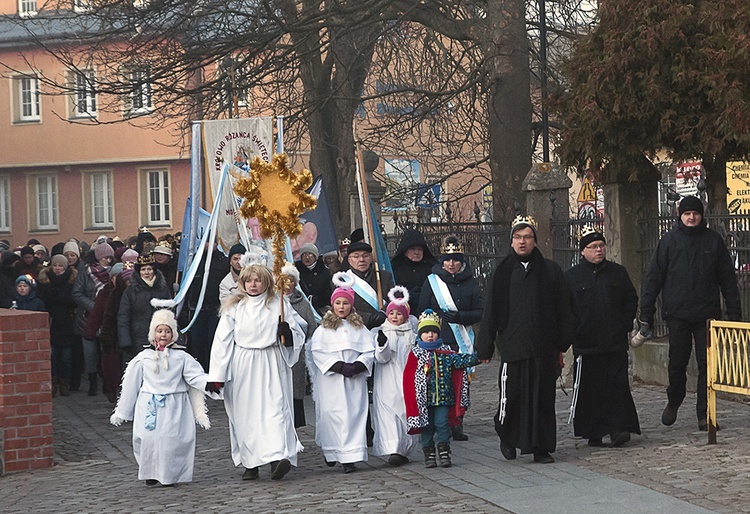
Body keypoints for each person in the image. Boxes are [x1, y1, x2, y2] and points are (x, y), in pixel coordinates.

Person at [476, 215, 573, 464]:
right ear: (511, 242)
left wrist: (562, 343)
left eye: (527, 237)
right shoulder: (502, 272)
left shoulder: (550, 271)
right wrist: (484, 345)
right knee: (513, 396)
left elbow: (563, 309)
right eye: (518, 237)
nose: (522, 242)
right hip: (513, 345)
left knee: (542, 397)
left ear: (535, 241)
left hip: (543, 346)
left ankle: (541, 446)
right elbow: (492, 310)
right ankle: (507, 436)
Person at [640, 196, 741, 431]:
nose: (691, 217)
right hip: (677, 314)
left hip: (707, 314)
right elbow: (653, 279)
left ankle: (704, 414)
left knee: (708, 365)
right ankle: (675, 399)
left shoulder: (713, 241)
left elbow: (727, 280)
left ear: (701, 215)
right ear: (680, 215)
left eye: (695, 213)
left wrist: (734, 314)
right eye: (687, 214)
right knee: (677, 363)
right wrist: (647, 312)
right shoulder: (668, 242)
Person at [208, 263, 304, 481]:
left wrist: (287, 335)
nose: (253, 285)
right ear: (242, 283)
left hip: (272, 361)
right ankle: (250, 463)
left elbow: (298, 331)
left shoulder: (278, 304)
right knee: (246, 415)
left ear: (266, 282)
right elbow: (222, 341)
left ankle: (277, 459)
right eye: (248, 280)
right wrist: (217, 375)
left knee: (275, 410)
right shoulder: (234, 308)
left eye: (257, 280)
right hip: (243, 364)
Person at [110, 309, 213, 487]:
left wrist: (211, 383)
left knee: (170, 441)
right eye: (159, 331)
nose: (163, 335)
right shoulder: (143, 358)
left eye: (167, 331)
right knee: (147, 439)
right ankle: (150, 472)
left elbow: (195, 377)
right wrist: (123, 410)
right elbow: (130, 384)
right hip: (149, 405)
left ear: (173, 334)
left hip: (175, 406)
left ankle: (169, 475)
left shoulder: (182, 357)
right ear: (153, 333)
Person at [565, 227, 641, 447]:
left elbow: (630, 299)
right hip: (586, 344)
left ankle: (618, 428)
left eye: (601, 246)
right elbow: (565, 307)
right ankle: (593, 431)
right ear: (582, 251)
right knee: (590, 389)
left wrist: (624, 322)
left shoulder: (618, 272)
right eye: (593, 247)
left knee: (616, 386)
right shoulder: (571, 277)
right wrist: (574, 329)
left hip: (614, 341)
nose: (598, 250)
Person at [418, 235, 484, 441]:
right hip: (436, 342)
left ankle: (458, 422)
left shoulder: (472, 283)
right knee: (437, 384)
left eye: (455, 259)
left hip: (461, 341)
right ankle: (437, 422)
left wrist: (461, 317)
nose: (451, 264)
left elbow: (481, 311)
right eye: (447, 260)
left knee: (460, 384)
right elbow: (423, 310)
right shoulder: (432, 282)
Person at [309, 273, 375, 473]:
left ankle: (350, 457)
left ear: (351, 306)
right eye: (337, 302)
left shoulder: (359, 327)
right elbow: (317, 352)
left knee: (353, 415)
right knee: (332, 414)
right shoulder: (324, 329)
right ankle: (332, 451)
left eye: (345, 303)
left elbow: (369, 350)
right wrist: (338, 366)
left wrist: (358, 365)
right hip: (332, 380)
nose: (341, 307)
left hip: (354, 379)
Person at [403, 310, 478, 468]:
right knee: (427, 427)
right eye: (426, 332)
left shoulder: (446, 353)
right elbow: (409, 377)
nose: (430, 335)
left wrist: (478, 356)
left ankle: (444, 451)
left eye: (433, 332)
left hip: (443, 398)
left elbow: (460, 361)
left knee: (442, 424)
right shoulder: (416, 354)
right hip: (424, 401)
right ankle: (429, 454)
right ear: (420, 335)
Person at [371, 286, 419, 466]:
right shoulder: (381, 332)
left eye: (398, 314)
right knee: (388, 411)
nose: (394, 317)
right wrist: (382, 345)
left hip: (406, 378)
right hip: (387, 379)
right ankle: (393, 448)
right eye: (391, 314)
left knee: (406, 411)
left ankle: (405, 448)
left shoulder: (411, 335)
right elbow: (380, 358)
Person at [73, 242, 115, 395]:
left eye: (110, 258)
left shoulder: (113, 273)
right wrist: (94, 307)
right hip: (87, 318)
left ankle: (106, 382)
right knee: (89, 353)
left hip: (107, 319)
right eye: (105, 258)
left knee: (105, 352)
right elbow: (77, 293)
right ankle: (92, 384)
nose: (107, 261)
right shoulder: (85, 271)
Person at [118, 253, 172, 367]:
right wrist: (125, 341)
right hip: (137, 338)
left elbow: (171, 313)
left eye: (149, 269)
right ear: (138, 272)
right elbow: (123, 316)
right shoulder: (130, 291)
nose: (146, 272)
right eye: (143, 269)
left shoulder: (163, 289)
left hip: (160, 338)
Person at [281, 261, 318, 428]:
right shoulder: (275, 302)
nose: (288, 284)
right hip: (281, 352)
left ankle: (297, 423)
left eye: (291, 280)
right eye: (284, 280)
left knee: (295, 390)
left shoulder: (302, 303)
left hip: (299, 352)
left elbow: (311, 325)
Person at [36, 255, 78, 397]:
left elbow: (73, 300)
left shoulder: (72, 280)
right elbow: (43, 299)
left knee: (66, 356)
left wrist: (60, 297)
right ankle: (53, 382)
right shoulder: (44, 281)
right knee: (53, 355)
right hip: (52, 321)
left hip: (67, 322)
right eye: (55, 265)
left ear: (65, 267)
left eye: (60, 266)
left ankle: (64, 383)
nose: (57, 268)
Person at [186, 242, 229, 371]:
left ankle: (213, 372)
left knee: (214, 343)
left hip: (215, 309)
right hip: (197, 309)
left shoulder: (223, 261)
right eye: (206, 241)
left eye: (212, 241)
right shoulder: (193, 260)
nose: (209, 244)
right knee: (197, 343)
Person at [344, 239, 393, 330]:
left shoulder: (384, 277)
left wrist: (385, 313)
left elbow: (394, 300)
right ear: (349, 260)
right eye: (356, 256)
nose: (362, 260)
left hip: (385, 327)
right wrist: (370, 318)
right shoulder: (342, 281)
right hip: (355, 328)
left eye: (365, 256)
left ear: (370, 258)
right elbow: (342, 308)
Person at [391, 229, 438, 313]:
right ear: (405, 250)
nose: (416, 252)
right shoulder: (395, 268)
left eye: (419, 249)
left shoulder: (431, 268)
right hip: (403, 311)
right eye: (413, 249)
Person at [295, 243, 333, 315]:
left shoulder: (325, 271)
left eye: (310, 254)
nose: (307, 257)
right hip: (302, 307)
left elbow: (329, 290)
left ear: (315, 256)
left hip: (321, 307)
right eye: (304, 255)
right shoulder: (296, 270)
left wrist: (318, 299)